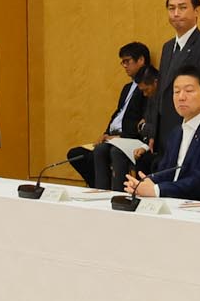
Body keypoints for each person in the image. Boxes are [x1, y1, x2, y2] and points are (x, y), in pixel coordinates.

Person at [126, 70, 200, 203]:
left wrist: (157, 190)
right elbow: (166, 171)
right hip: (171, 202)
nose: (181, 97)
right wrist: (145, 183)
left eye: (188, 91)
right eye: (176, 91)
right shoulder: (176, 132)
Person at [66, 44, 156, 191]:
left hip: (131, 138)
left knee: (107, 151)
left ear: (141, 60)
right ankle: (99, 188)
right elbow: (119, 114)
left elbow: (144, 121)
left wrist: (120, 137)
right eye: (123, 62)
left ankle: (115, 193)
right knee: (77, 154)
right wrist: (106, 133)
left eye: (127, 61)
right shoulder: (127, 88)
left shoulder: (149, 85)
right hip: (113, 137)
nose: (124, 66)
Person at [154, 0, 200, 113]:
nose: (176, 13)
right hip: (165, 128)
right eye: (171, 8)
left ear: (197, 11)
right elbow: (162, 91)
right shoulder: (167, 47)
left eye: (182, 8)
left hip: (190, 126)